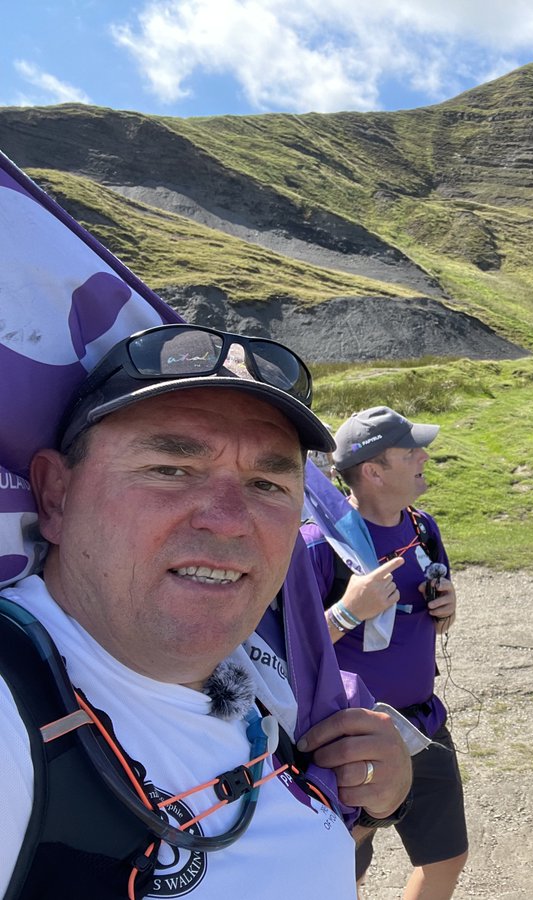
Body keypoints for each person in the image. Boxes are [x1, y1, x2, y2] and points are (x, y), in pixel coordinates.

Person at [0, 324, 412, 898]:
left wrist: (374, 804)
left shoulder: (277, 686)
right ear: (56, 497)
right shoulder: (12, 709)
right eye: (171, 470)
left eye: (267, 483)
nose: (228, 518)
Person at [303, 406, 467, 900]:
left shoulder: (422, 529)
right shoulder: (318, 545)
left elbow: (432, 615)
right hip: (351, 736)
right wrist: (348, 613)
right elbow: (288, 651)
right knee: (341, 869)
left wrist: (448, 607)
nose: (424, 455)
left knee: (446, 858)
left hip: (424, 723)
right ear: (373, 471)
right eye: (410, 450)